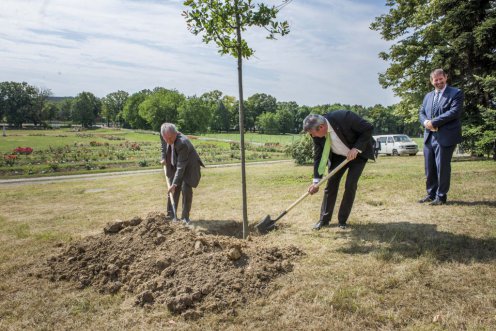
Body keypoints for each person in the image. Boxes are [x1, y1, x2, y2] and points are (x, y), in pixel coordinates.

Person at [303, 111, 375, 230]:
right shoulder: (315, 133)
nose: (313, 136)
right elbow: (318, 156)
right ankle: (324, 220)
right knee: (331, 184)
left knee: (350, 185)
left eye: (313, 133)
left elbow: (368, 128)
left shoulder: (344, 117)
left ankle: (342, 220)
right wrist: (316, 181)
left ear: (321, 127)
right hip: (338, 156)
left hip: (357, 154)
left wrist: (356, 148)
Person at [418, 69, 463, 205]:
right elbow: (421, 112)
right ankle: (431, 194)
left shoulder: (456, 93)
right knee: (429, 168)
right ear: (432, 81)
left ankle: (441, 196)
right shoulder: (428, 96)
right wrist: (426, 122)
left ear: (445, 77)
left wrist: (434, 122)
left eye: (440, 79)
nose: (438, 82)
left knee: (442, 167)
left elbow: (454, 112)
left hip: (446, 136)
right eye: (435, 80)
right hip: (429, 137)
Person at [160, 123, 205, 224]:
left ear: (175, 133)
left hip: (189, 166)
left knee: (185, 188)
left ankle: (185, 218)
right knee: (172, 188)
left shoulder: (182, 143)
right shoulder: (164, 135)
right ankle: (171, 215)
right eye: (166, 139)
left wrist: (175, 184)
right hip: (176, 162)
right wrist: (163, 157)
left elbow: (181, 167)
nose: (168, 141)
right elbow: (163, 146)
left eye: (170, 138)